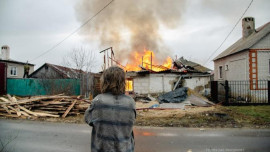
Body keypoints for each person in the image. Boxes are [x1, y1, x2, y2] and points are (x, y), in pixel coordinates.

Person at [84, 66, 136, 152]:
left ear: (105, 81)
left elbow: (88, 119)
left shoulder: (98, 101)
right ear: (123, 82)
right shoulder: (130, 102)